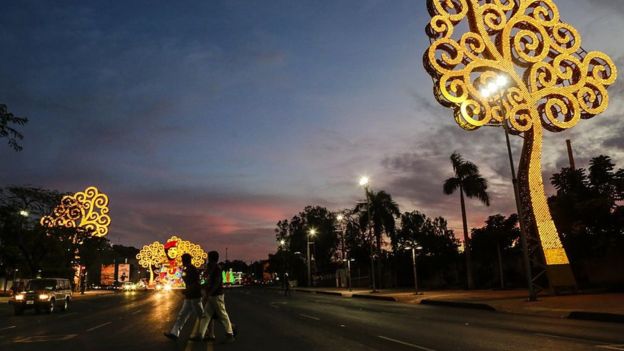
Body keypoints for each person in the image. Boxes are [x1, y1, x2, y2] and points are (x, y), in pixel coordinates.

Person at [194, 251, 235, 343]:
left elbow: (216, 283)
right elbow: (206, 278)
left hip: (216, 295)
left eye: (209, 257)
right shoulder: (211, 268)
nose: (207, 259)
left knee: (222, 315)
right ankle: (201, 335)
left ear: (211, 258)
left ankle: (230, 334)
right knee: (206, 315)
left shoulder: (217, 269)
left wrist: (209, 292)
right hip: (211, 295)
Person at [164, 253, 204, 341]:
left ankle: (227, 327)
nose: (182, 261)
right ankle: (174, 333)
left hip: (195, 296)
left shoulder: (192, 269)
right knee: (182, 315)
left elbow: (196, 283)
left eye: (183, 259)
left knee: (202, 316)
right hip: (189, 296)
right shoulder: (187, 269)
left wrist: (187, 290)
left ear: (187, 260)